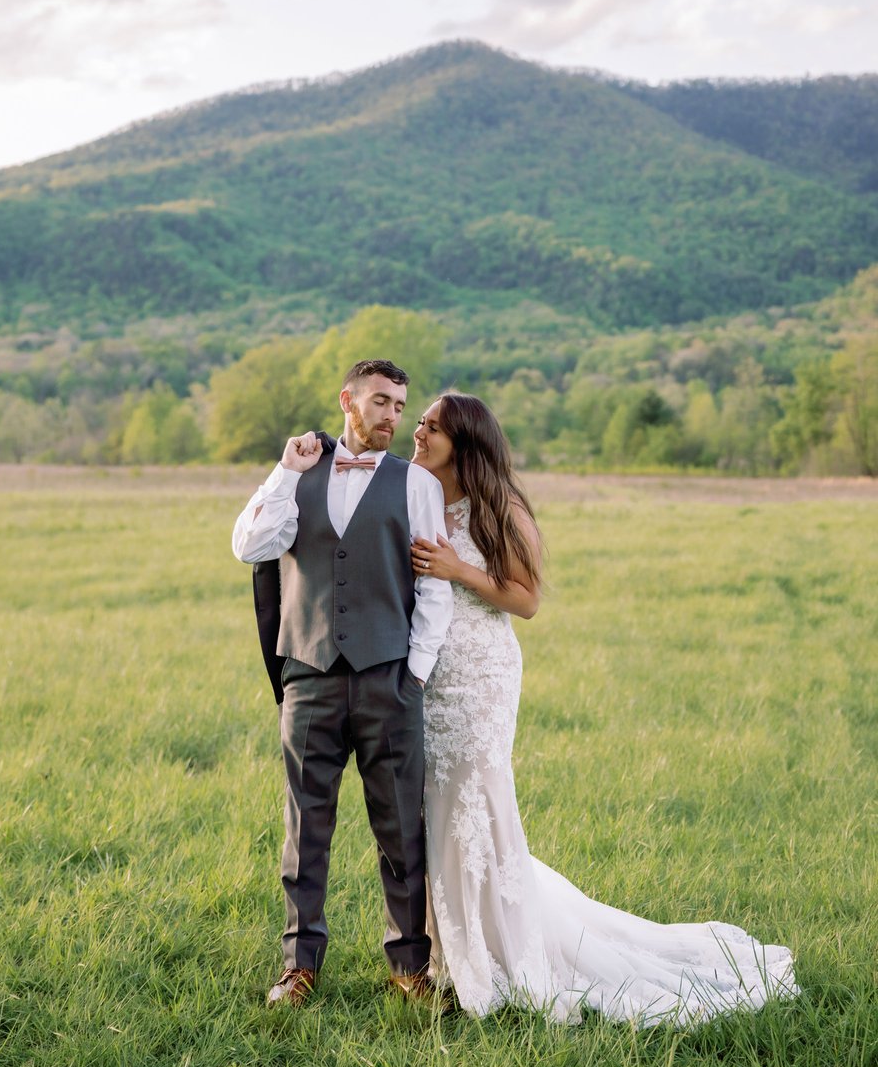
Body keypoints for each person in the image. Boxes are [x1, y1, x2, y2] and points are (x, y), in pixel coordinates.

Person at [410, 392, 798, 1023]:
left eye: (430, 426)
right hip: (432, 680)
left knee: (476, 806)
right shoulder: (424, 498)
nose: (417, 433)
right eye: (419, 422)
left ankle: (499, 954)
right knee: (437, 811)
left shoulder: (498, 505)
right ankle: (447, 953)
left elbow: (527, 599)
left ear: (466, 441)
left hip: (481, 679)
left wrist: (459, 570)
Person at [232, 360, 453, 1007]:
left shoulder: (416, 484)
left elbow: (435, 588)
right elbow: (250, 545)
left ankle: (410, 966)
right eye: (380, 402)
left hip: (389, 677)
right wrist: (284, 470)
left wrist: (412, 674)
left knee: (399, 828)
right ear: (347, 402)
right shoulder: (297, 475)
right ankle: (299, 967)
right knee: (307, 829)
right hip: (309, 676)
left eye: (400, 404)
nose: (392, 415)